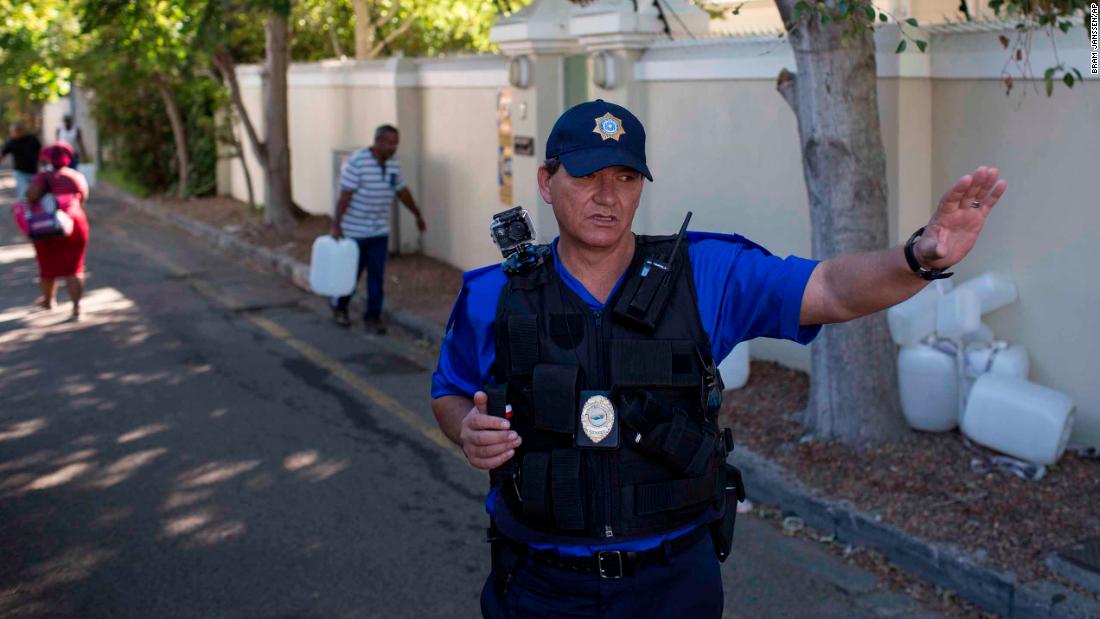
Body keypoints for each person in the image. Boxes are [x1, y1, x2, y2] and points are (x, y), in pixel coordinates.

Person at [429, 99, 1007, 618]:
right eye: (586, 175)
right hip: (540, 587)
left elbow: (829, 288)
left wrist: (920, 256)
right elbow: (449, 391)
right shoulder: (493, 295)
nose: (608, 196)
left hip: (673, 586)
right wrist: (468, 431)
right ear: (547, 182)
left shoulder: (706, 272)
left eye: (626, 177)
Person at [330, 124, 426, 333]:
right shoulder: (357, 162)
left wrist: (417, 214)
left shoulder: (392, 165)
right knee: (350, 275)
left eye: (396, 143)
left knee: (376, 277)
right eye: (390, 143)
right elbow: (344, 196)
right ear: (378, 141)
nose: (393, 147)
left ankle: (373, 317)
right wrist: (336, 225)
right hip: (354, 232)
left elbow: (402, 192)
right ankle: (340, 307)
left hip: (378, 232)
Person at [25, 143, 90, 321]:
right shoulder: (75, 176)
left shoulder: (42, 177)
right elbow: (83, 197)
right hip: (74, 223)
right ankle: (77, 308)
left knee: (47, 266)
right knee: (75, 267)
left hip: (47, 225)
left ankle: (49, 301)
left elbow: (31, 196)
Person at [1, 122, 42, 201]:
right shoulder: (12, 142)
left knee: (36, 193)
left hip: (34, 171)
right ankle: (22, 209)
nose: (15, 133)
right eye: (13, 131)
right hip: (20, 172)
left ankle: (34, 210)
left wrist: (42, 164)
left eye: (17, 131)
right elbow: (3, 154)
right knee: (23, 193)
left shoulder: (32, 139)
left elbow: (41, 152)